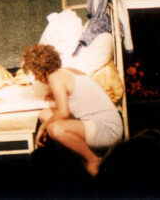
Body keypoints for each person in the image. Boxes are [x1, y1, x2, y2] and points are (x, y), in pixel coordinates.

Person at [22, 44, 123, 176]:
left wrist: (42, 128)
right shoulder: (66, 72)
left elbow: (63, 113)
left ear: (42, 71)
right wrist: (55, 95)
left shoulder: (55, 78)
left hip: (106, 129)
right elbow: (75, 97)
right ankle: (79, 155)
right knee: (45, 114)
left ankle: (92, 160)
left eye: (35, 73)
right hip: (107, 122)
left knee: (55, 129)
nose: (36, 78)